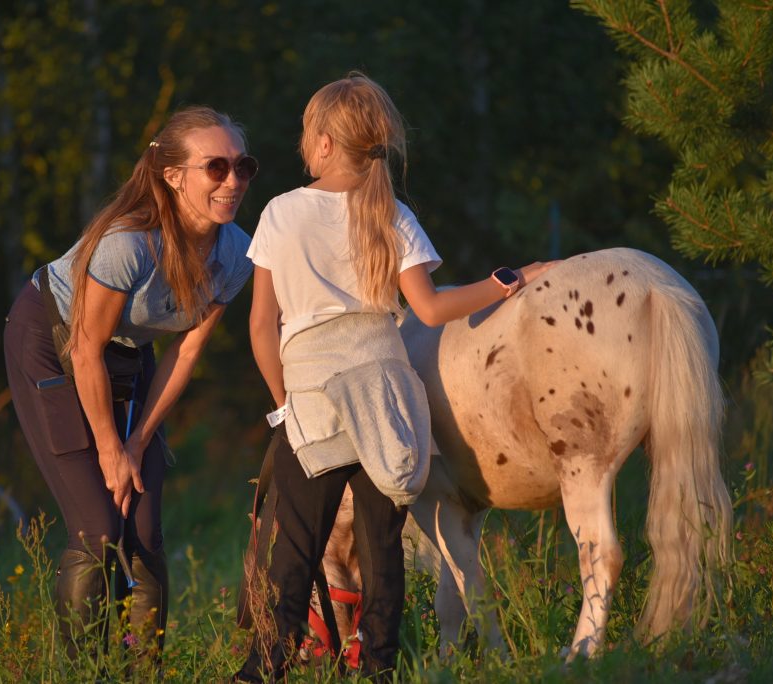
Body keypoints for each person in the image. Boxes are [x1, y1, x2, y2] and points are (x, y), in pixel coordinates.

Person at [234, 74, 556, 682]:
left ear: (325, 142)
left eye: (308, 134)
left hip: (313, 396)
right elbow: (432, 310)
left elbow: (260, 327)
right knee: (385, 550)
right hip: (386, 393)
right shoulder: (393, 212)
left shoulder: (281, 211)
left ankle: (263, 671)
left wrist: (285, 407)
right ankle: (378, 671)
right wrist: (510, 278)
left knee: (296, 551)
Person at [3, 106, 258, 660]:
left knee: (143, 528)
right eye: (215, 167)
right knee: (98, 530)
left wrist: (138, 440)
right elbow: (85, 349)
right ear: (174, 175)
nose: (232, 181)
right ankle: (84, 670)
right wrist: (109, 447)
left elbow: (187, 348)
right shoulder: (129, 243)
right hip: (54, 339)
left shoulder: (237, 252)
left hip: (126, 352)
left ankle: (144, 667)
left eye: (243, 166)